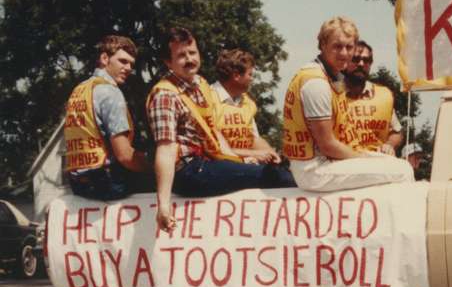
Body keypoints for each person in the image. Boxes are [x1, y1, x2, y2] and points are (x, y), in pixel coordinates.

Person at [148, 27, 294, 232]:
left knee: (277, 171)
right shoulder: (165, 95)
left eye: (192, 52)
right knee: (276, 177)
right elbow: (165, 149)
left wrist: (247, 158)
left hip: (207, 163)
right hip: (189, 171)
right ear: (168, 62)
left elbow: (214, 134)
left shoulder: (199, 84)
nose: (189, 59)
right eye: (181, 55)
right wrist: (163, 205)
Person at [282, 17, 413, 192]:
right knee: (402, 171)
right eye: (337, 46)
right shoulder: (316, 82)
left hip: (326, 161)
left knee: (392, 163)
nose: (344, 53)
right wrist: (363, 159)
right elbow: (327, 145)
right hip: (314, 170)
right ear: (322, 45)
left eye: (349, 47)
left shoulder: (330, 77)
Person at [64, 35, 149, 200]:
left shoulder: (80, 89)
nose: (129, 68)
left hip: (78, 182)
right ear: (104, 58)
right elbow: (124, 156)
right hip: (106, 181)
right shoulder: (110, 92)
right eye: (123, 61)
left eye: (131, 63)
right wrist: (152, 166)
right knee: (166, 177)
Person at [213, 48, 282, 164]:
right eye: (250, 74)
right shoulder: (208, 99)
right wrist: (253, 153)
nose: (252, 79)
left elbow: (254, 139)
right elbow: (214, 147)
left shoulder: (247, 102)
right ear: (236, 75)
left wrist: (271, 153)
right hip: (217, 166)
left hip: (245, 165)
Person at [342, 40, 404, 155]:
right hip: (343, 160)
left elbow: (397, 132)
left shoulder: (383, 95)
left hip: (377, 159)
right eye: (355, 59)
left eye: (366, 60)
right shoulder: (332, 93)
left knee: (406, 170)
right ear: (345, 62)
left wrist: (389, 145)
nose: (361, 64)